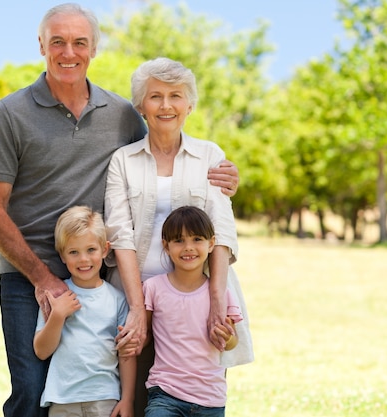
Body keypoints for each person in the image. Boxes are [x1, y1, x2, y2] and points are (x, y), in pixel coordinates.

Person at [0, 4, 240, 416]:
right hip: (30, 274)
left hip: (100, 277)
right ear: (41, 45)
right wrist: (44, 279)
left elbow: (164, 150)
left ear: (94, 48)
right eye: (58, 41)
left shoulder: (120, 115)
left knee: (111, 388)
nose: (68, 52)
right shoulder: (10, 113)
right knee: (32, 390)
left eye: (80, 42)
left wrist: (227, 179)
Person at [104, 57, 254, 416]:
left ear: (190, 105)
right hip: (135, 291)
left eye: (176, 96)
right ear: (141, 106)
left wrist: (217, 298)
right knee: (139, 398)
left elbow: (222, 230)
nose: (166, 105)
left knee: (196, 394)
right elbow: (121, 235)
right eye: (155, 96)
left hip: (197, 298)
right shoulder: (122, 161)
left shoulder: (210, 155)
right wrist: (138, 308)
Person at [33, 206, 136, 417]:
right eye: (73, 252)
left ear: (105, 250)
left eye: (91, 250)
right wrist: (58, 316)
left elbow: (126, 354)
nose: (83, 259)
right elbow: (41, 351)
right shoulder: (56, 295)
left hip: (104, 398)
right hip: (63, 400)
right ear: (62, 255)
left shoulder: (117, 299)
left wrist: (127, 399)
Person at [142, 206, 242, 417]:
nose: (188, 247)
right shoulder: (153, 288)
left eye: (197, 239)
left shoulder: (221, 293)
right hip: (165, 394)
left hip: (210, 398)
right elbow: (146, 334)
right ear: (166, 246)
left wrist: (227, 337)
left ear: (211, 243)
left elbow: (232, 342)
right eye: (179, 240)